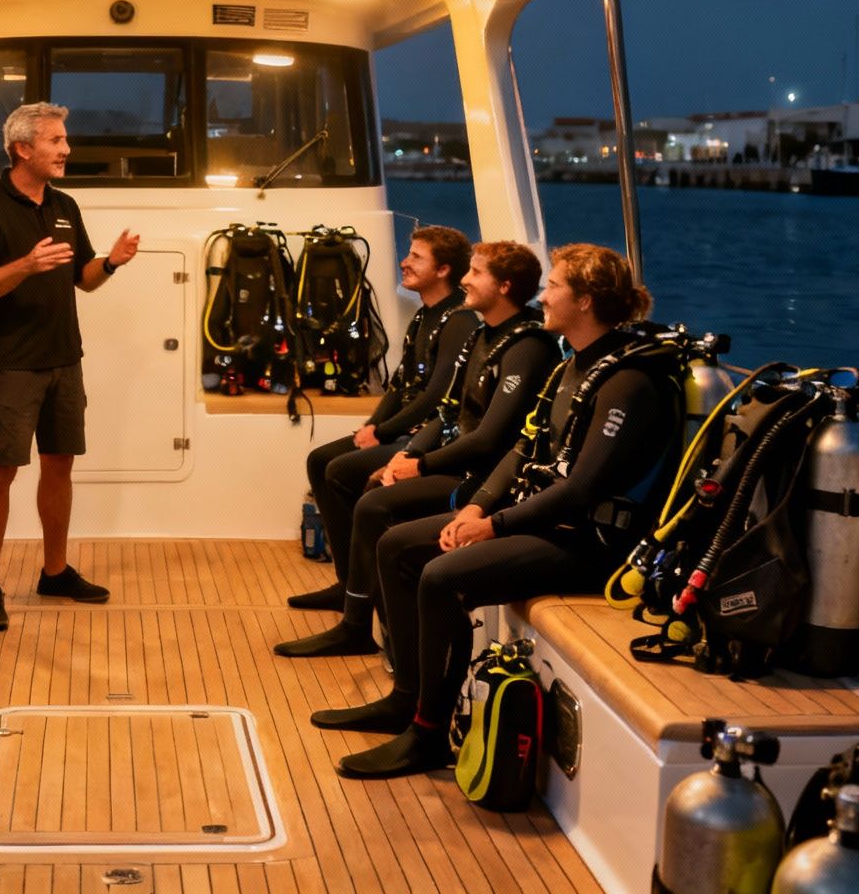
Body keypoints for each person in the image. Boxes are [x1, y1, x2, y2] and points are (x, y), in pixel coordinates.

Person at [316, 243, 682, 779]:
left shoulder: (629, 382)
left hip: (594, 545)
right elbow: (522, 449)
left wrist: (493, 526)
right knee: (397, 545)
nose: (544, 294)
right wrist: (479, 507)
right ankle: (408, 697)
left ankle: (428, 734)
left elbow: (581, 490)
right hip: (540, 519)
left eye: (554, 286)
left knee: (440, 576)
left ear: (584, 300)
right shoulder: (571, 368)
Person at [274, 240, 557, 657]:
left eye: (475, 273)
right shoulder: (482, 335)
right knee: (369, 487)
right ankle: (360, 615)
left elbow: (489, 439)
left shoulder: (527, 348)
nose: (465, 280)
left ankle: (363, 628)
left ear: (505, 286)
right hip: (457, 460)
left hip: (483, 477)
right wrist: (405, 456)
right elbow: (445, 411)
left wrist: (420, 463)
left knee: (373, 506)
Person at [0, 102, 141, 632]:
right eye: (56, 141)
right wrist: (25, 265)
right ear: (22, 148)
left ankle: (54, 572)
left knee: (60, 465)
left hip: (66, 360)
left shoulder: (65, 205)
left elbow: (82, 279)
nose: (66, 149)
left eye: (65, 140)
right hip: (11, 365)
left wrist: (109, 262)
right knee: (0, 472)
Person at [286, 226, 477, 622]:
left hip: (429, 440)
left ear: (443, 269)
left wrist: (386, 433)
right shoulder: (424, 315)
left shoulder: (458, 320)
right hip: (402, 430)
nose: (404, 263)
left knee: (340, 470)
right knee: (320, 460)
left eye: (416, 257)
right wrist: (372, 426)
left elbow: (438, 394)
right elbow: (400, 384)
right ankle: (347, 581)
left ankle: (360, 589)